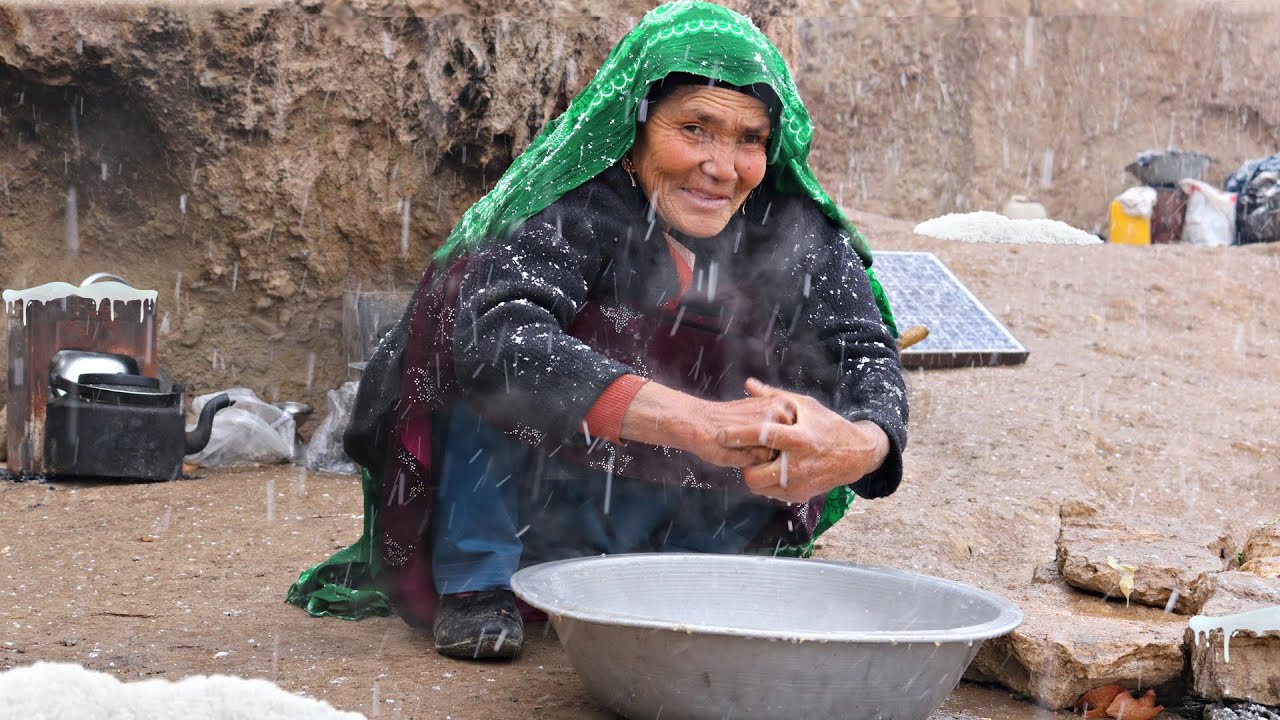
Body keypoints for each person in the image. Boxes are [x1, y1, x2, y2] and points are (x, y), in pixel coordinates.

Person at [287, 0, 908, 662]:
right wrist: (698, 423)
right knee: (468, 314)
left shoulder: (793, 228)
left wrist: (861, 446)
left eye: (749, 138)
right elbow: (497, 341)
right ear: (635, 125)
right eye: (695, 128)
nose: (722, 166)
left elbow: (865, 354)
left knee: (788, 363)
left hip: (689, 502)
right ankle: (480, 579)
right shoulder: (575, 201)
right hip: (542, 486)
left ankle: (684, 573)